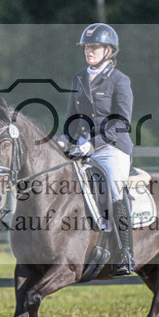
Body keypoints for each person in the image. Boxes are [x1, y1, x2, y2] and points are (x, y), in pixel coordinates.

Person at [57, 23, 135, 276]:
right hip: (83, 147)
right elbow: (72, 117)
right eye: (87, 47)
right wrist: (61, 141)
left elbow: (122, 123)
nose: (89, 51)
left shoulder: (119, 81)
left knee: (113, 186)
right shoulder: (79, 78)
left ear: (109, 50)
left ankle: (125, 253)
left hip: (112, 147)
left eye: (94, 47)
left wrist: (94, 143)